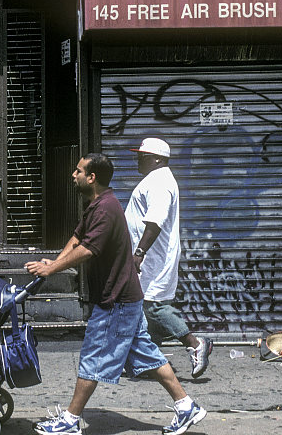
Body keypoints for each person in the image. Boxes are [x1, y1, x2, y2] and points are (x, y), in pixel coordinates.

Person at [25, 152, 206, 435]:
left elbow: (88, 249)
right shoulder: (96, 205)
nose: (74, 175)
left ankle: (70, 420)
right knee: (147, 355)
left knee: (93, 356)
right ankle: (186, 407)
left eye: (78, 171)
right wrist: (55, 263)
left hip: (117, 299)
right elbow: (77, 239)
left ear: (91, 177)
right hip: (125, 297)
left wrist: (52, 270)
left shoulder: (107, 208)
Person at [125, 137, 213, 379]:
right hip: (151, 257)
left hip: (154, 258)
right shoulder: (155, 179)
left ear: (157, 159)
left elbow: (155, 221)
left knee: (154, 307)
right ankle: (147, 362)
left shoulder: (160, 182)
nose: (137, 159)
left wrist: (139, 253)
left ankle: (195, 345)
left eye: (142, 156)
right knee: (145, 308)